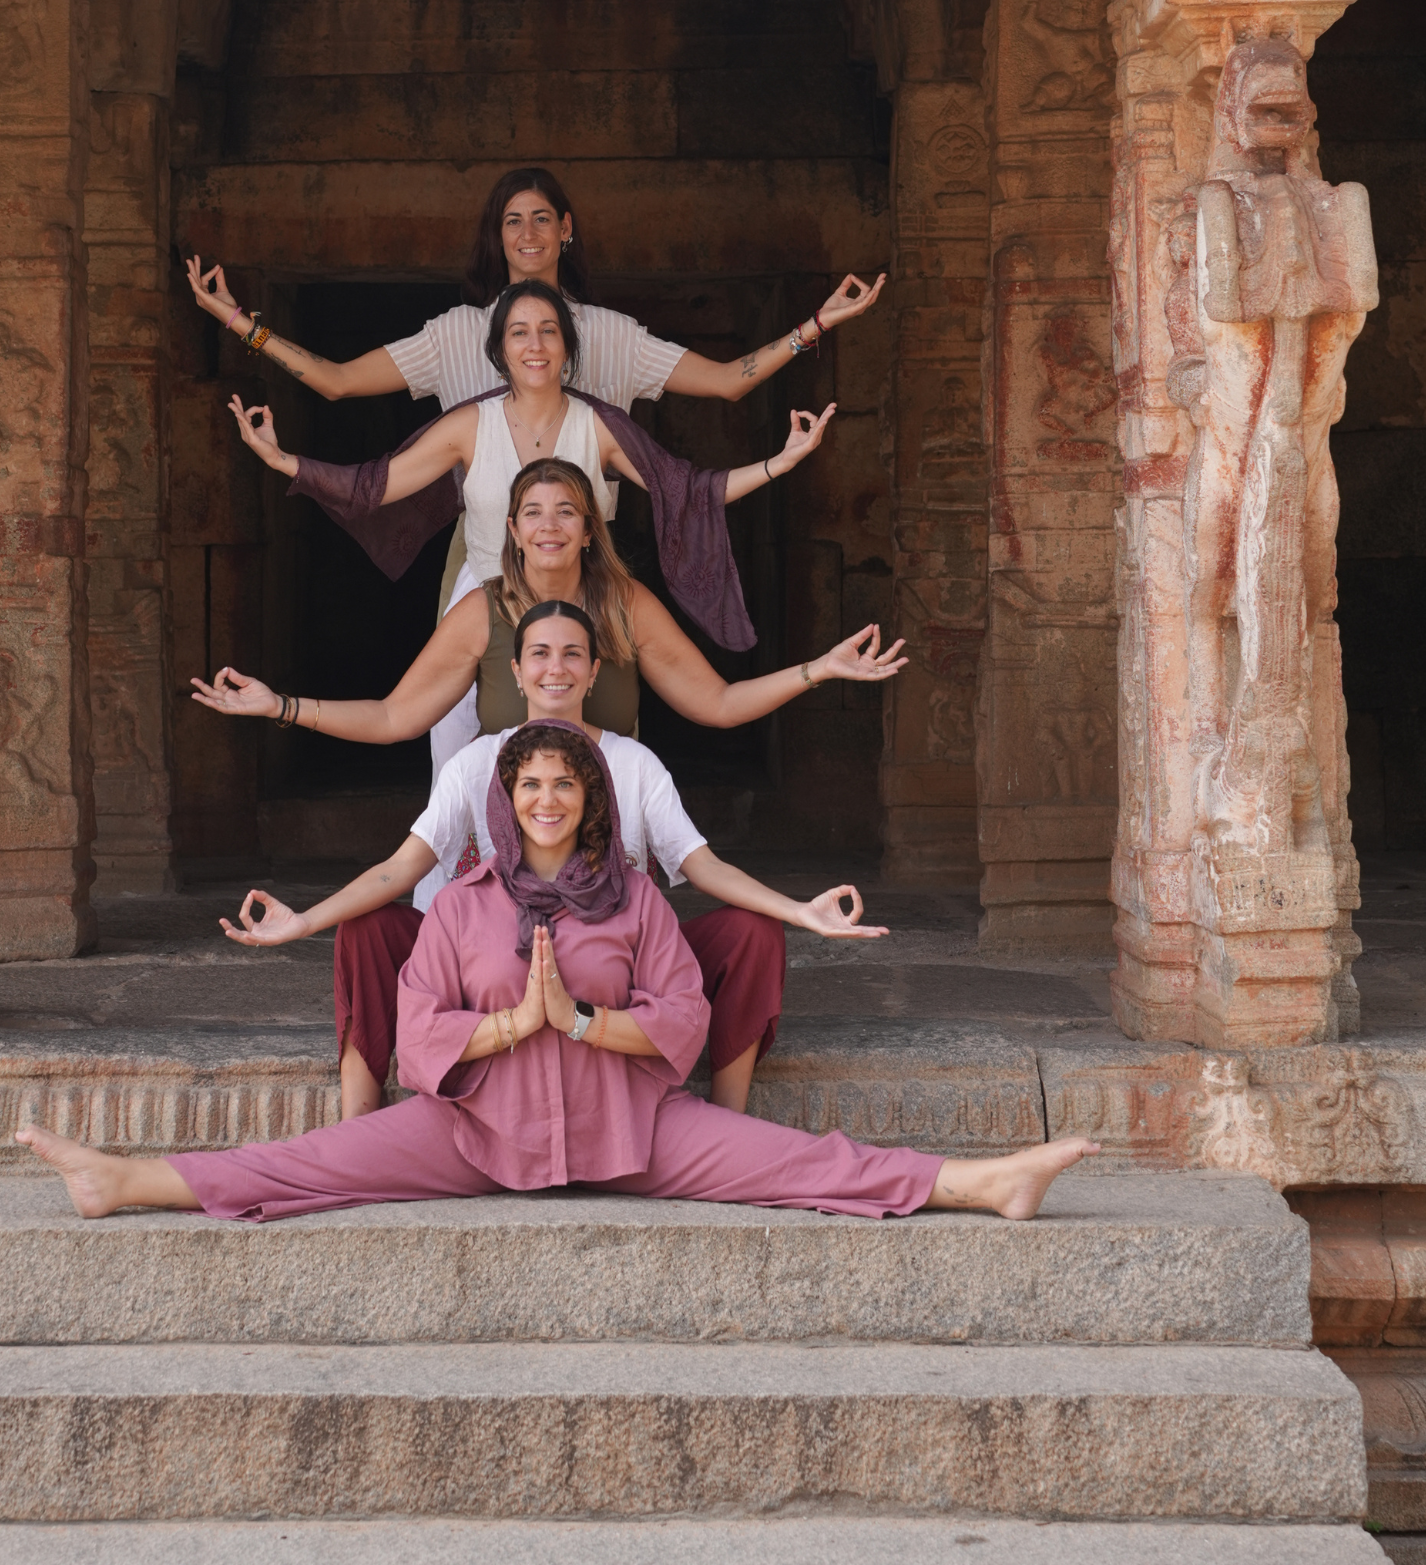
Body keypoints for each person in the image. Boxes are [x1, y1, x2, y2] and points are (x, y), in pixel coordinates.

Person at [20, 723, 1097, 1224]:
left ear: (591, 797)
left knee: (800, 1162)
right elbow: (417, 1025)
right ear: (506, 796)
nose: (546, 800)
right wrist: (507, 1029)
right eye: (529, 783)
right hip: (477, 1133)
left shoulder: (633, 896)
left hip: (631, 1126)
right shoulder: (462, 903)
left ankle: (981, 1180)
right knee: (310, 1166)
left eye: (564, 784)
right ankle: (121, 1180)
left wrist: (579, 1021)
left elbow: (681, 1017)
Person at [222, 598, 891, 1121]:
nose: (556, 668)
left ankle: (725, 1117)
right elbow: (401, 869)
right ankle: (358, 1124)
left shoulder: (633, 762)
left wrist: (801, 911)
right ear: (515, 671)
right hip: (492, 963)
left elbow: (704, 866)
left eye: (574, 654)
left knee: (751, 932)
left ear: (595, 671)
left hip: (607, 969)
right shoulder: (478, 760)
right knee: (368, 930)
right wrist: (304, 921)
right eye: (539, 653)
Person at [229, 276, 830, 769]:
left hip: (581, 598)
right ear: (499, 350)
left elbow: (690, 489)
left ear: (568, 348)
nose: (535, 344)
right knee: (457, 758)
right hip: (488, 601)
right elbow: (374, 485)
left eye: (548, 331)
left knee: (607, 745)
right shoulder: (472, 425)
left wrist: (780, 463)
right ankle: (461, 897)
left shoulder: (599, 429)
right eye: (519, 332)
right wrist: (285, 462)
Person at [191, 454, 908, 847]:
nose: (550, 525)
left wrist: (822, 668)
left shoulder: (625, 605)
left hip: (607, 824)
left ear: (590, 528)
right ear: (511, 529)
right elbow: (392, 718)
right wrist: (278, 707)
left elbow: (715, 703)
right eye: (533, 512)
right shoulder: (484, 609)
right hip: (514, 822)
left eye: (567, 510)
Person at [186, 162, 885, 417]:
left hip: (588, 550)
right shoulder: (456, 333)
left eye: (541, 218)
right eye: (511, 221)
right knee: (458, 734)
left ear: (566, 230)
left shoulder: (610, 334)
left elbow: (731, 381)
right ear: (496, 235)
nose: (527, 234)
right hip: (486, 557)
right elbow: (335, 382)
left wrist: (816, 325)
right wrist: (241, 324)